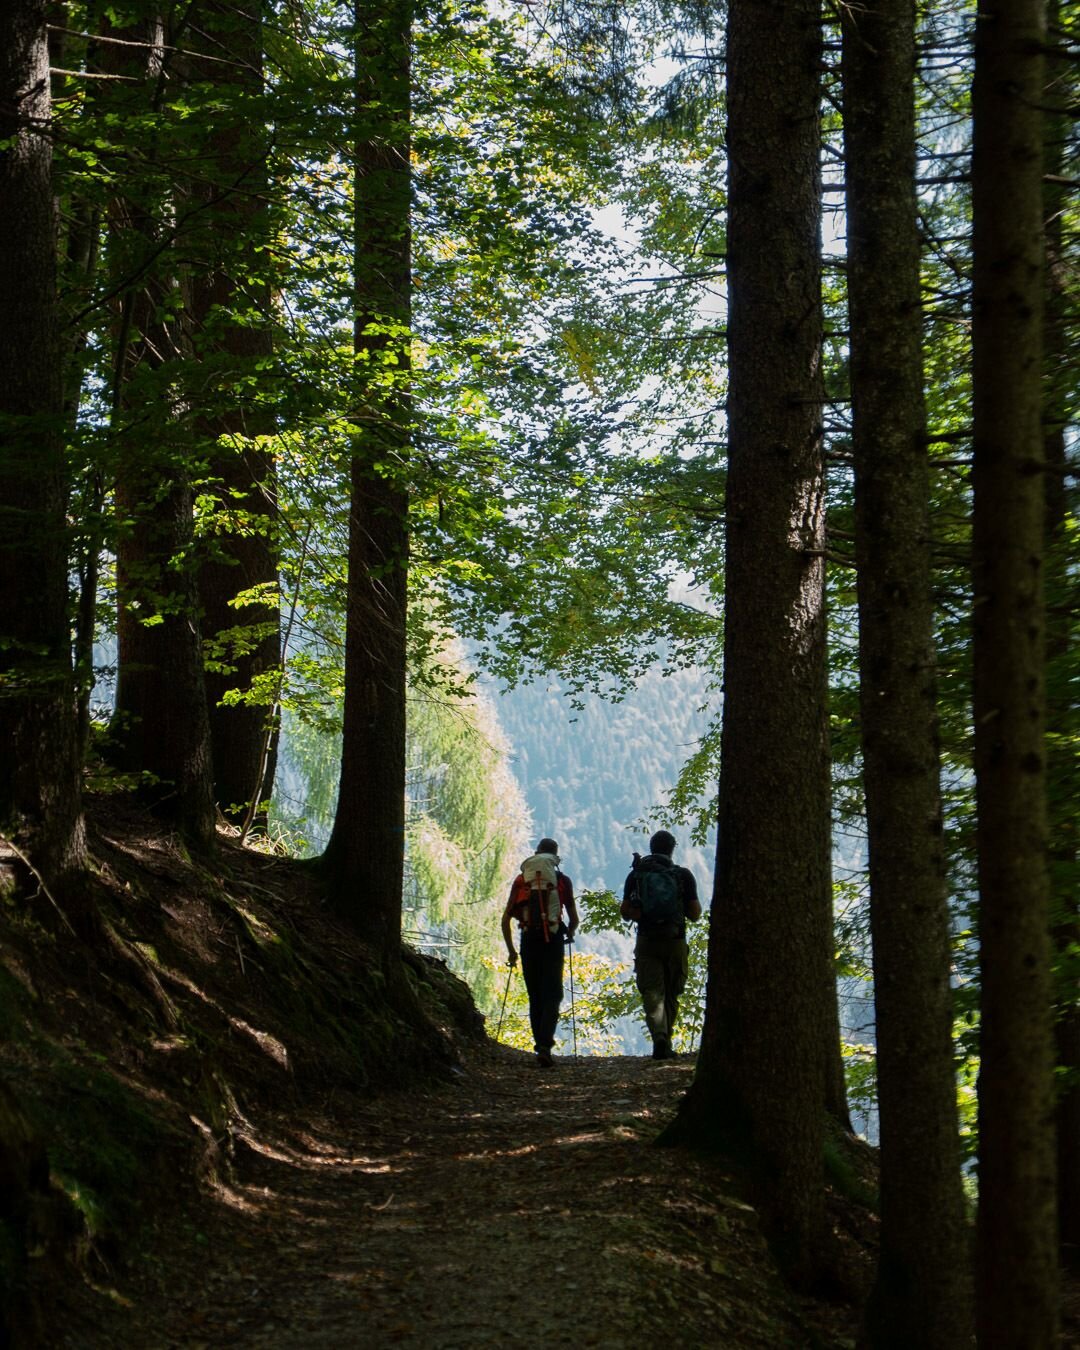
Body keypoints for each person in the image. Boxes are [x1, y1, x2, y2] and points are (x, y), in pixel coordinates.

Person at [620, 829, 702, 1060]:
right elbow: (695, 914)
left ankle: (659, 1037)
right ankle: (666, 1039)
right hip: (675, 940)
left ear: (651, 847)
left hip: (647, 941)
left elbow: (625, 911)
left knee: (652, 992)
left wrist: (642, 913)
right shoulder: (682, 875)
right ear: (672, 849)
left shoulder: (637, 875)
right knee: (672, 993)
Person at [501, 837, 579, 1068]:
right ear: (555, 859)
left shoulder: (521, 881)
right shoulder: (562, 880)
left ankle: (540, 1047)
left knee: (535, 995)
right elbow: (573, 918)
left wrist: (512, 952)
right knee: (552, 995)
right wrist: (570, 933)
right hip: (553, 940)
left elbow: (505, 920)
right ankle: (545, 1046)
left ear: (536, 854)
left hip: (528, 941)